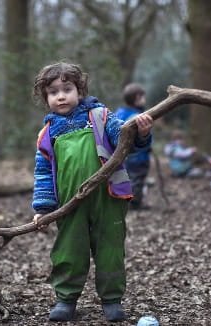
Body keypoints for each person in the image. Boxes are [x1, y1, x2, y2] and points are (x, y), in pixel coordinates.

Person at [31, 62, 154, 322]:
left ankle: (111, 299)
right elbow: (43, 173)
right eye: (53, 92)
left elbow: (125, 140)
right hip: (69, 203)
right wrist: (43, 209)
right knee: (68, 250)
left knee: (110, 248)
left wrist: (141, 132)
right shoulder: (47, 133)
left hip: (108, 197)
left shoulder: (100, 116)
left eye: (67, 89)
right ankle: (66, 299)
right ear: (46, 98)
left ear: (80, 90)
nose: (61, 96)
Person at [115, 83, 152, 209]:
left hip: (124, 157)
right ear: (137, 98)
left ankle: (126, 200)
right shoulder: (138, 116)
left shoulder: (119, 112)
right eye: (143, 97)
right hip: (138, 156)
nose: (144, 100)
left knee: (128, 179)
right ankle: (135, 203)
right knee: (137, 180)